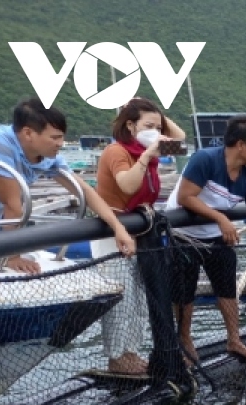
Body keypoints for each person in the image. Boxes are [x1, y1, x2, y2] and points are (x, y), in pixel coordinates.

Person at [165, 116, 246, 362]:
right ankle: (185, 339)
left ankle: (234, 339)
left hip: (216, 238)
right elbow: (185, 197)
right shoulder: (205, 160)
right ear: (240, 145)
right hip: (183, 235)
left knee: (227, 288)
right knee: (183, 294)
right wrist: (220, 219)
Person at [0, 98, 135, 271]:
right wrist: (12, 256)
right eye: (55, 138)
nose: (60, 144)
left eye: (62, 137)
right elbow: (12, 205)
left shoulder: (47, 156)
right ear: (28, 134)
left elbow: (84, 191)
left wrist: (117, 227)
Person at [94, 97, 187, 375]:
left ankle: (131, 352)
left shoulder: (149, 146)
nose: (156, 133)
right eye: (147, 126)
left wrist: (156, 116)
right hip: (114, 232)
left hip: (141, 232)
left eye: (158, 128)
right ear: (130, 126)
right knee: (120, 298)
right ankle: (116, 356)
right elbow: (127, 183)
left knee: (138, 297)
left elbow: (181, 140)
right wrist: (147, 156)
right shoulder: (118, 151)